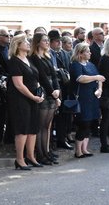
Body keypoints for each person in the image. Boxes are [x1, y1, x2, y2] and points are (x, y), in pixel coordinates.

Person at [7, 34, 43, 169]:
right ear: (18, 44)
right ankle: (20, 159)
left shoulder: (28, 59)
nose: (28, 43)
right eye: (25, 41)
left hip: (33, 98)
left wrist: (39, 93)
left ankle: (31, 156)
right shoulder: (14, 61)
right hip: (20, 99)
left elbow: (35, 78)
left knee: (33, 128)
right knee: (22, 129)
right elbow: (18, 85)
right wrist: (33, 97)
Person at [28, 32, 61, 164]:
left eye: (48, 40)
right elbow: (42, 76)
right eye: (44, 40)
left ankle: (47, 152)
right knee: (41, 125)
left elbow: (54, 75)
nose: (47, 42)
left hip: (52, 92)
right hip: (43, 92)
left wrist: (57, 89)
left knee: (48, 125)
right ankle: (40, 154)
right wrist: (52, 91)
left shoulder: (48, 56)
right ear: (37, 42)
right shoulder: (34, 57)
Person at [69, 42, 103, 158]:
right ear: (81, 53)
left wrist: (100, 89)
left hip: (93, 98)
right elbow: (80, 78)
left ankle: (85, 148)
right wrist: (95, 78)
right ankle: (78, 150)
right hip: (83, 98)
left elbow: (100, 79)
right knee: (84, 123)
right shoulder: (76, 65)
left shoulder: (91, 65)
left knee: (90, 123)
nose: (90, 53)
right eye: (87, 51)